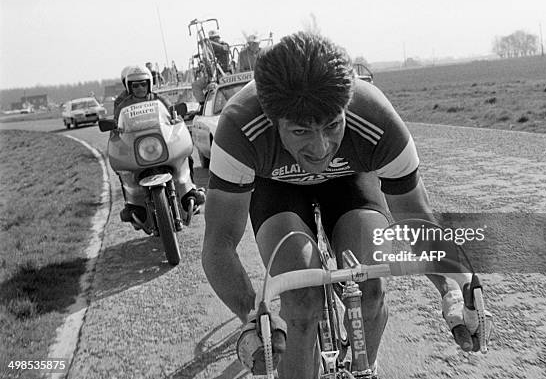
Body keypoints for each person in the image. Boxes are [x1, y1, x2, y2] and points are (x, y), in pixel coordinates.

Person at [201, 32, 485, 378]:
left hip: (349, 181)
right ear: (273, 121)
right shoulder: (240, 128)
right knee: (301, 301)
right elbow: (220, 243)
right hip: (276, 187)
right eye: (301, 132)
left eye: (332, 125)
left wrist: (455, 290)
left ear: (347, 108)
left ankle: (366, 368)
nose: (320, 149)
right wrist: (253, 318)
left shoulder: (378, 121)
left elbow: (416, 219)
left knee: (370, 286)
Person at [114, 65, 205, 221]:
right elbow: (117, 125)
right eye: (135, 85)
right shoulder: (123, 104)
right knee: (124, 171)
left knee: (185, 156)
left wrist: (177, 119)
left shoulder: (159, 99)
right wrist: (116, 130)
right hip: (137, 147)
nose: (140, 88)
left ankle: (190, 189)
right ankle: (131, 204)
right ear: (129, 87)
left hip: (160, 143)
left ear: (149, 83)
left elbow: (173, 114)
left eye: (143, 84)